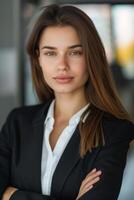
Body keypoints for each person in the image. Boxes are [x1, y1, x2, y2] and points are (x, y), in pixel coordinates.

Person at [0, 4, 134, 200]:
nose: (62, 65)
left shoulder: (114, 132)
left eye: (74, 52)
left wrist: (11, 195)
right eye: (50, 53)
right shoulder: (17, 122)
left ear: (91, 57)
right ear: (38, 59)